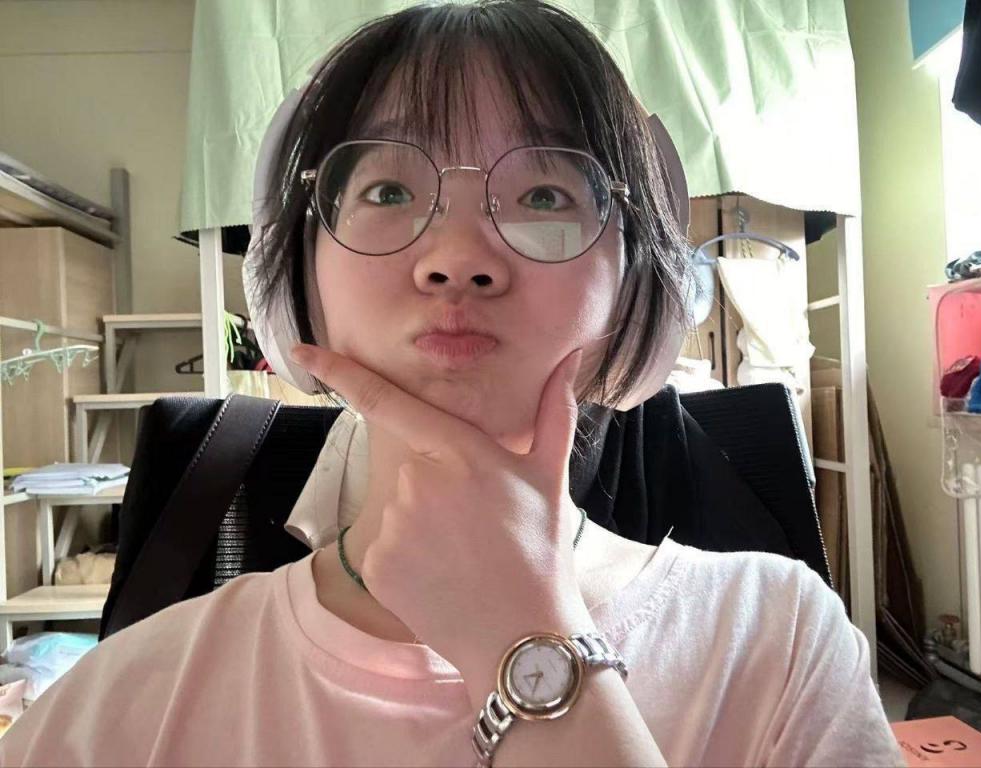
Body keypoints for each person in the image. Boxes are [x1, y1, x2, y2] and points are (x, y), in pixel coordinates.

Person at [0, 2, 904, 766]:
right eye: (388, 191)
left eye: (545, 196)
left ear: (634, 281)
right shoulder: (126, 707)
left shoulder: (779, 641)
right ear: (299, 275)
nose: (459, 258)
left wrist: (526, 639)